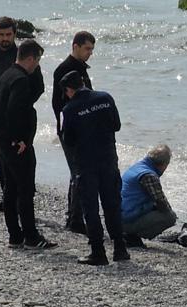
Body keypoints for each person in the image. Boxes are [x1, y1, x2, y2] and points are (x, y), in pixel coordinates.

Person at [60, 70, 129, 265]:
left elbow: (69, 139)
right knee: (112, 204)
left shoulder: (70, 109)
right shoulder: (105, 98)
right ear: (83, 82)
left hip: (86, 164)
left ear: (68, 90)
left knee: (91, 207)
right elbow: (116, 125)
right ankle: (120, 248)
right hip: (108, 160)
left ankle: (98, 251)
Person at [0, 39, 56, 249]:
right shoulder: (20, 80)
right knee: (25, 188)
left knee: (10, 188)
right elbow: (15, 111)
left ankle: (15, 235)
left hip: (1, 138)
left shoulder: (6, 75)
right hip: (15, 143)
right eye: (37, 62)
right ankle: (31, 235)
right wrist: (19, 139)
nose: (37, 65)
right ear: (30, 59)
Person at [0, 16, 44, 211]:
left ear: (15, 34)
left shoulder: (23, 56)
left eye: (8, 34)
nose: (5, 38)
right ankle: (7, 197)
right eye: (1, 35)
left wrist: (19, 103)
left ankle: (21, 200)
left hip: (18, 117)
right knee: (0, 157)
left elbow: (38, 87)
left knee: (21, 160)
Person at [52, 31, 96, 234]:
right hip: (72, 130)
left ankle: (74, 217)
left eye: (92, 49)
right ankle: (75, 219)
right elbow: (59, 104)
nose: (90, 53)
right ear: (75, 46)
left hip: (83, 129)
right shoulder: (65, 69)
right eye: (87, 48)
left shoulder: (81, 69)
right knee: (79, 173)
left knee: (79, 172)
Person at [120, 144, 178, 248]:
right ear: (164, 164)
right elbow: (162, 204)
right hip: (125, 220)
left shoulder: (138, 166)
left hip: (117, 214)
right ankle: (131, 237)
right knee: (170, 217)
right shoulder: (149, 175)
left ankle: (128, 234)